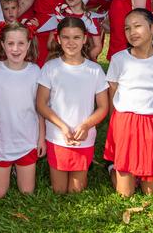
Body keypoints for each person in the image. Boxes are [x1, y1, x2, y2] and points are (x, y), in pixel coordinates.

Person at [104, 9, 153, 196]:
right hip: (124, 122)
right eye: (127, 28)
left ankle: (143, 173)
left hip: (151, 123)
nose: (132, 32)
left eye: (137, 26)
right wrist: (116, 123)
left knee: (150, 193)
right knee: (125, 194)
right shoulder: (119, 59)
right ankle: (115, 169)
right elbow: (113, 92)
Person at [36, 17, 109, 194]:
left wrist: (85, 125)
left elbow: (103, 107)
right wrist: (62, 126)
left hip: (83, 137)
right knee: (59, 190)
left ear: (84, 39)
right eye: (66, 37)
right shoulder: (50, 68)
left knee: (76, 191)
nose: (71, 42)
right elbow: (41, 103)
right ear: (58, 39)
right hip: (57, 136)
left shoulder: (94, 70)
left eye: (76, 37)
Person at [0, 21, 45, 198]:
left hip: (27, 140)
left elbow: (40, 108)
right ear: (2, 44)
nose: (15, 49)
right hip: (1, 142)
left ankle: (18, 168)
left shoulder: (35, 71)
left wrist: (41, 139)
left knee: (27, 193)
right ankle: (0, 169)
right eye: (10, 43)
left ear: (29, 44)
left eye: (21, 43)